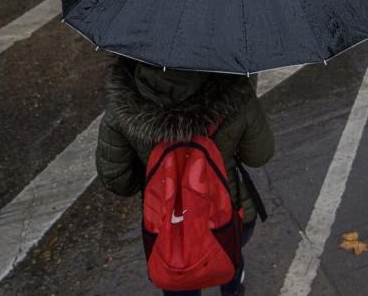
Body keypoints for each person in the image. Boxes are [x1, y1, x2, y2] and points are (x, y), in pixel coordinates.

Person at [96, 58, 274, 295]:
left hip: (167, 222)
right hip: (228, 214)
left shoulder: (121, 107)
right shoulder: (237, 93)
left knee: (178, 275)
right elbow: (259, 156)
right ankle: (232, 288)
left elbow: (117, 180)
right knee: (229, 252)